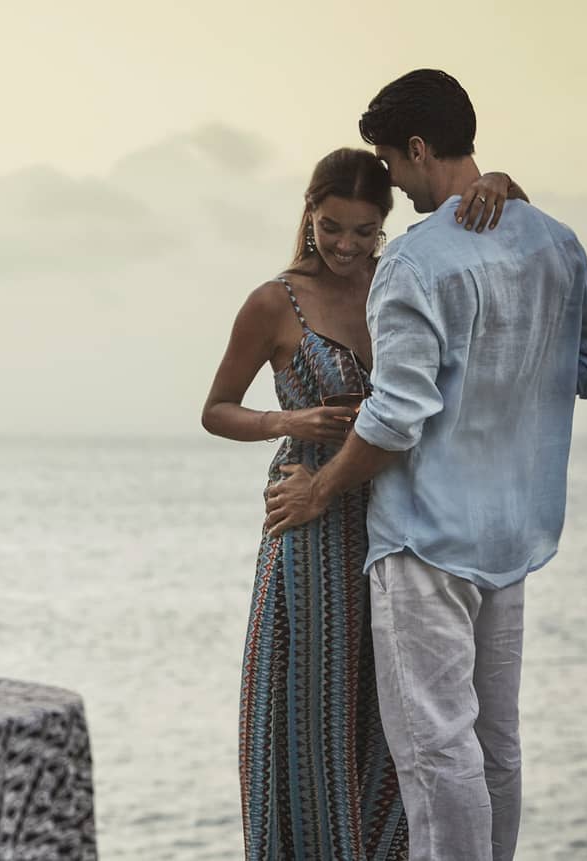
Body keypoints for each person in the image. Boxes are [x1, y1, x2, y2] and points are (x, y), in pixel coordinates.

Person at [264, 70, 587, 861]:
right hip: (514, 536)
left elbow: (395, 418)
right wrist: (512, 368)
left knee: (437, 752)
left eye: (392, 160)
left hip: (425, 540)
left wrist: (321, 491)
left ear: (421, 148)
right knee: (496, 742)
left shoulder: (415, 262)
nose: (390, 176)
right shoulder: (552, 240)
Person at [202, 148, 521, 860]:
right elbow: (216, 409)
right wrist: (289, 421)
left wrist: (502, 185)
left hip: (400, 524)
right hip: (310, 532)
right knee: (313, 717)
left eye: (363, 231)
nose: (345, 246)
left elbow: (488, 229)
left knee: (403, 720)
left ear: (385, 227)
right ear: (308, 215)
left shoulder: (404, 278)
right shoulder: (272, 301)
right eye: (331, 228)